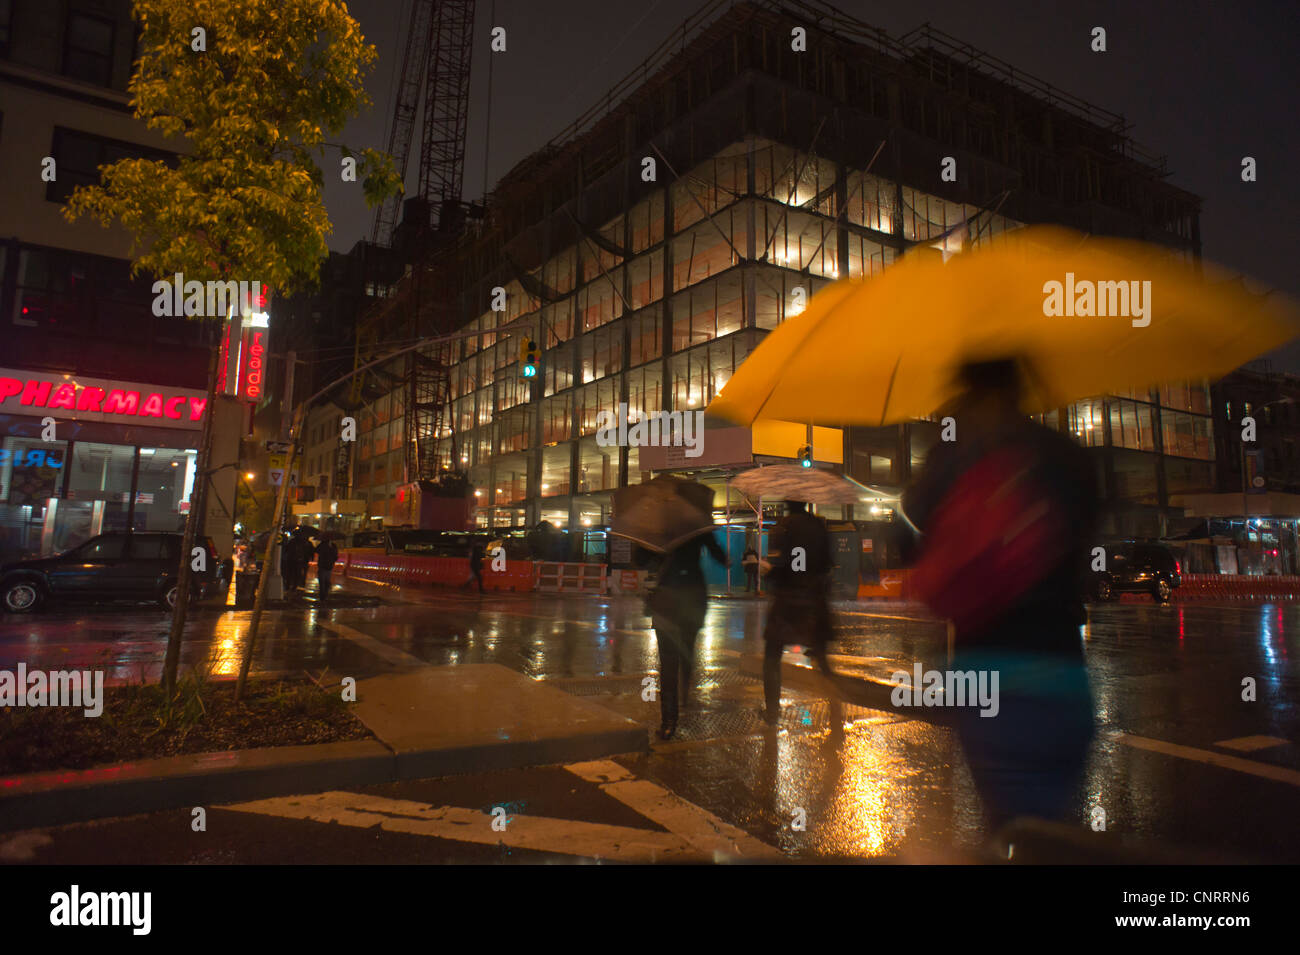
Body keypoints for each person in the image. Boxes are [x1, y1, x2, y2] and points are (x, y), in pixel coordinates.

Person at [901, 357, 1099, 834]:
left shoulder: (953, 453)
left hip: (986, 673)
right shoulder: (1064, 455)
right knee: (1051, 829)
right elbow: (1085, 537)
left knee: (1008, 827)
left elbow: (913, 526)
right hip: (1063, 671)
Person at [641, 533, 729, 740]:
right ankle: (685, 691)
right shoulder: (696, 528)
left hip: (668, 600)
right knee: (686, 651)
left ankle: (669, 722)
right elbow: (721, 557)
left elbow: (641, 558)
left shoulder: (660, 527)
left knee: (669, 661)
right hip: (693, 597)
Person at [760, 500, 836, 726]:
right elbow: (827, 563)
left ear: (788, 503)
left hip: (788, 603)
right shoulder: (819, 526)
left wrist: (769, 572)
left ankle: (772, 712)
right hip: (815, 600)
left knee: (772, 655)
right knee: (821, 658)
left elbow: (790, 567)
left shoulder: (784, 527)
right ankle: (836, 706)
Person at [315, 535, 339, 600]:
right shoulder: (333, 546)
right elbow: (336, 556)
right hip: (328, 566)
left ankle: (323, 595)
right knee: (326, 581)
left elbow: (316, 550)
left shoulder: (323, 545)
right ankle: (324, 595)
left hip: (323, 565)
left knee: (322, 581)